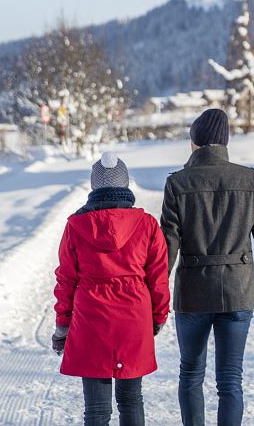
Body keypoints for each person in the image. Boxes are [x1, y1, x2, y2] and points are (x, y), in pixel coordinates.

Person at [161, 108, 254, 426]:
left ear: (196, 143)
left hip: (192, 294)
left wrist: (154, 299)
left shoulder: (177, 184)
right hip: (238, 291)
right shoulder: (252, 181)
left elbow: (167, 248)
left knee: (190, 374)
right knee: (231, 381)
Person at [52, 152, 171, 426]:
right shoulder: (147, 225)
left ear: (95, 187)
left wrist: (63, 325)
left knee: (96, 409)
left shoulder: (76, 226)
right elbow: (158, 277)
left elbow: (66, 280)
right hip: (134, 319)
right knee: (131, 400)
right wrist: (158, 316)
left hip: (90, 320)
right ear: (125, 185)